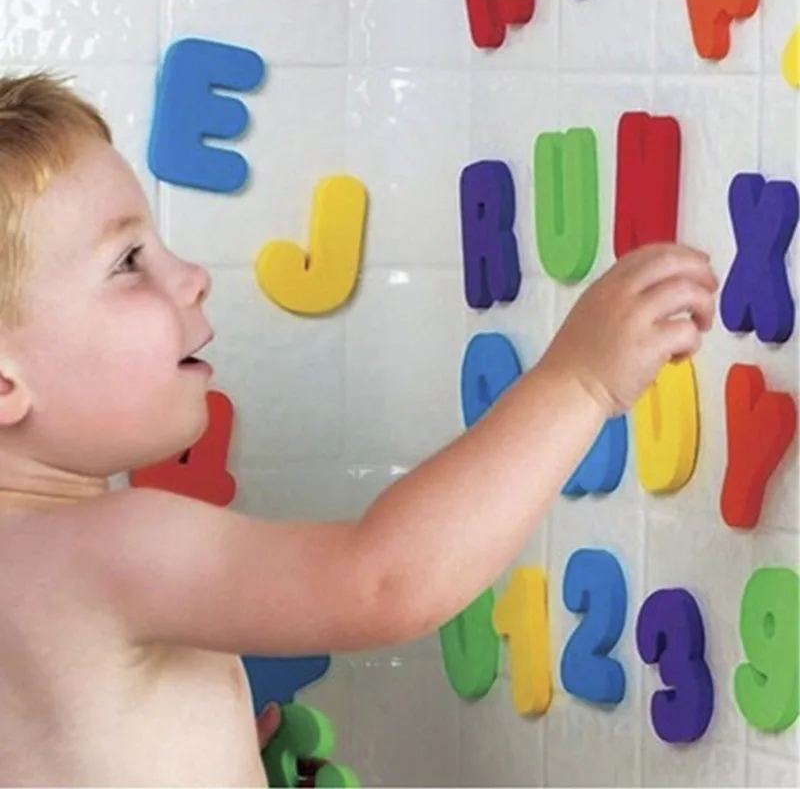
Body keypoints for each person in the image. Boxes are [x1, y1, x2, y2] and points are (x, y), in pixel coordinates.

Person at [0, 71, 717, 786]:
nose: (193, 276)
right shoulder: (114, 546)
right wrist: (579, 382)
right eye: (129, 261)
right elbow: (385, 580)